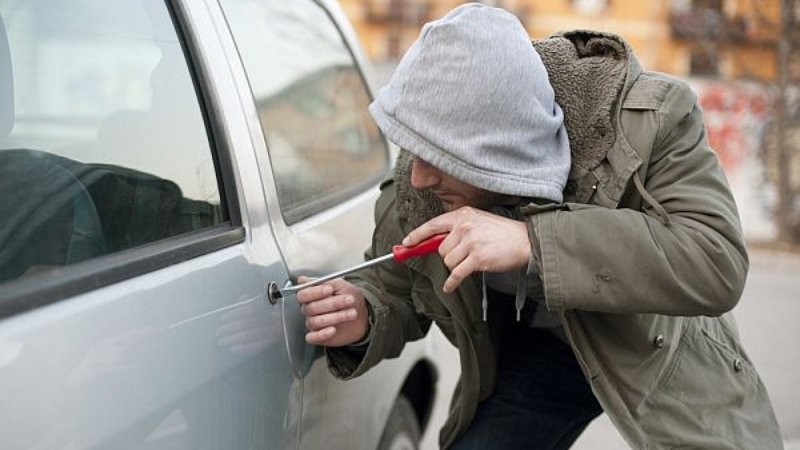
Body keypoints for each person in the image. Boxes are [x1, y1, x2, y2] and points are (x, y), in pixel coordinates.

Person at [297, 3, 783, 449]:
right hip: (541, 355)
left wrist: (533, 241)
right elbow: (397, 285)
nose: (419, 175)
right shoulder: (423, 172)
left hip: (656, 345)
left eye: (440, 159)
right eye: (415, 150)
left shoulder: (652, 119)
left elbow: (714, 260)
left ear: (498, 150)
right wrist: (364, 313)